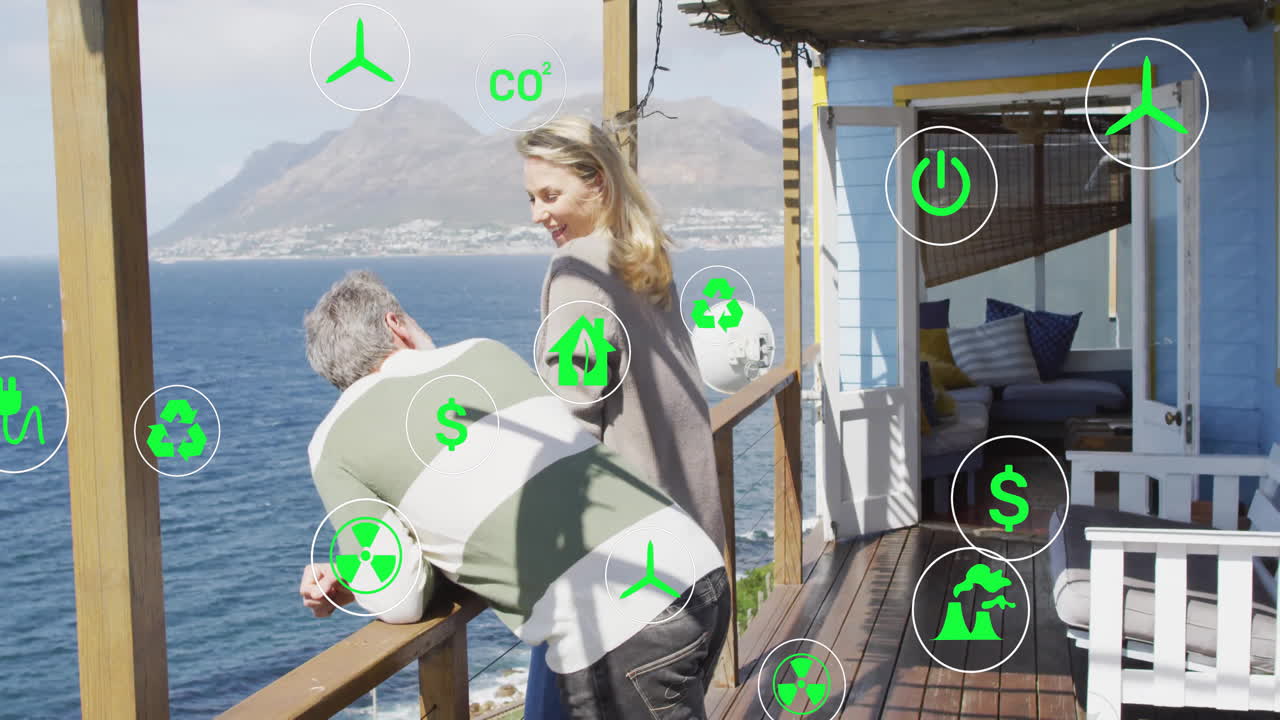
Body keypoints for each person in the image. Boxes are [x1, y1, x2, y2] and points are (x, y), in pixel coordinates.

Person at [296, 270, 731, 719]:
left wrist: (360, 574)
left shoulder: (333, 444)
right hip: (694, 569)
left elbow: (399, 600)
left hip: (625, 626)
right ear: (396, 326)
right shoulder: (484, 353)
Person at [517, 116, 727, 718]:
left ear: (599, 184)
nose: (537, 214)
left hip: (628, 586)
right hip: (695, 571)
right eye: (531, 197)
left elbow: (572, 422)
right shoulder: (646, 262)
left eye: (551, 195)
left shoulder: (578, 269)